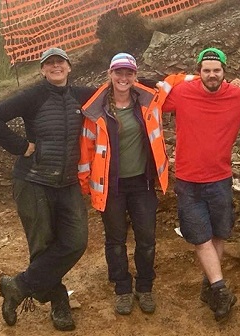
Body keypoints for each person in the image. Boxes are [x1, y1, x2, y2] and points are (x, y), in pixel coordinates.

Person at [159, 47, 240, 322]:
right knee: (202, 237)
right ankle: (220, 289)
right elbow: (154, 98)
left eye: (217, 70)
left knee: (218, 234)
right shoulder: (183, 93)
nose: (212, 75)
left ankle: (209, 288)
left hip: (219, 178)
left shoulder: (238, 95)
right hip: (188, 180)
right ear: (199, 72)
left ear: (224, 73)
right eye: (206, 70)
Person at [0, 47, 96, 331]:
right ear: (43, 70)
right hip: (33, 181)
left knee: (77, 241)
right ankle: (58, 301)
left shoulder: (80, 95)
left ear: (69, 67)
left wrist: (163, 82)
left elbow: (118, 85)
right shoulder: (33, 95)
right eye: (50, 64)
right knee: (43, 246)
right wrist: (20, 146)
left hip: (67, 182)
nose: (56, 67)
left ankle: (18, 286)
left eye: (60, 62)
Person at [78, 53, 185, 315]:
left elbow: (175, 80)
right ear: (110, 74)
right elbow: (86, 150)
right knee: (115, 241)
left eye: (129, 73)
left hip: (143, 183)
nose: (123, 78)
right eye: (119, 72)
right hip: (111, 187)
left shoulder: (149, 101)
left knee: (146, 239)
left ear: (135, 75)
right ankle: (123, 289)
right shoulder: (96, 110)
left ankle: (145, 286)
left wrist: (204, 76)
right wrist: (85, 184)